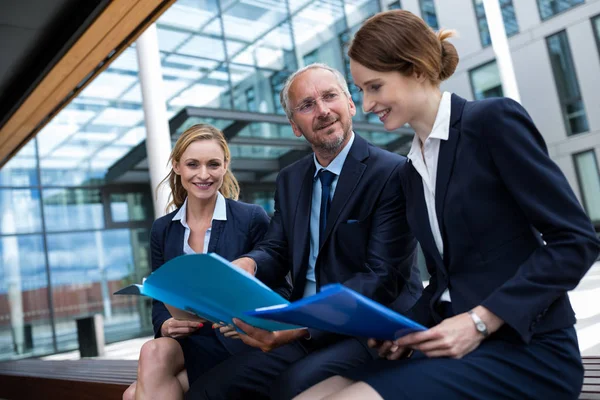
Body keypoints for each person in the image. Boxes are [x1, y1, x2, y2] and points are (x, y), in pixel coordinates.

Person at [295, 10, 600, 400]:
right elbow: (446, 279)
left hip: (527, 349)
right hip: (455, 345)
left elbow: (575, 241)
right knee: (312, 394)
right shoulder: (411, 169)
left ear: (417, 71)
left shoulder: (491, 122)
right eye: (362, 91)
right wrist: (404, 329)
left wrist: (479, 321)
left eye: (374, 87)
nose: (367, 104)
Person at [185, 63, 423, 400]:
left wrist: (299, 327)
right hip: (299, 328)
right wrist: (249, 265)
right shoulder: (290, 179)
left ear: (351, 104)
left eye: (330, 96)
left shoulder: (392, 173)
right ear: (295, 125)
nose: (323, 111)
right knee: (206, 392)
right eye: (307, 105)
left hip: (369, 331)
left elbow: (381, 278)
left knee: (289, 388)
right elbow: (277, 247)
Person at [122, 124, 290, 400]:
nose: (203, 174)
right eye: (192, 164)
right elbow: (158, 299)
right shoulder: (163, 229)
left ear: (225, 165)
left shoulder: (250, 218)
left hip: (238, 342)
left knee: (132, 396)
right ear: (177, 167)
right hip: (191, 342)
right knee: (152, 349)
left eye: (213, 164)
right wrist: (165, 325)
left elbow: (280, 284)